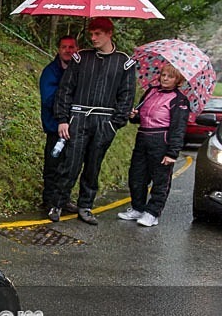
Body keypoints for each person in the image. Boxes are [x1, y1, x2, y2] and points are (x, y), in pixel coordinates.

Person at [48, 17, 136, 224]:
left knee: (93, 166)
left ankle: (85, 206)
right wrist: (63, 119)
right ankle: (57, 203)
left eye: (98, 34)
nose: (93, 38)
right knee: (70, 164)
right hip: (78, 118)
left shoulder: (124, 62)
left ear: (109, 34)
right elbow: (65, 90)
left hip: (105, 122)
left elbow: (127, 96)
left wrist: (114, 125)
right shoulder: (81, 58)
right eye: (91, 34)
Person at [117, 63, 189, 227]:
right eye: (163, 75)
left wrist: (172, 153)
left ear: (178, 80)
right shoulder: (151, 92)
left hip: (162, 141)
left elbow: (178, 128)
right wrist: (134, 115)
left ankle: (152, 213)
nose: (165, 79)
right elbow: (141, 117)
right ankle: (137, 208)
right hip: (143, 138)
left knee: (160, 179)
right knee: (136, 175)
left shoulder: (179, 100)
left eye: (170, 76)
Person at [39, 35, 77, 212]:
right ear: (59, 49)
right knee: (53, 165)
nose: (68, 50)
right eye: (64, 47)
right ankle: (49, 200)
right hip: (55, 127)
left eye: (71, 47)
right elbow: (49, 100)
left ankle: (63, 199)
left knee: (69, 165)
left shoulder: (79, 70)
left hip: (75, 127)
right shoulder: (50, 72)